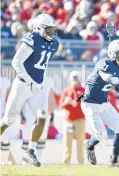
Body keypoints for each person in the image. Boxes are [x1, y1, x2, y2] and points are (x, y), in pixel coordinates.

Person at [0, 14, 58, 167]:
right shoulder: (32, 39)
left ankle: (30, 152)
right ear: (39, 28)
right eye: (49, 29)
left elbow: (41, 65)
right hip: (22, 85)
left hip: (36, 87)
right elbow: (16, 62)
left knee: (42, 117)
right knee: (8, 121)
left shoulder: (53, 44)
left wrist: (39, 82)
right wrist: (30, 81)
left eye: (53, 29)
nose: (52, 32)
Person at [79, 39, 119, 167]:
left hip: (103, 102)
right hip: (89, 102)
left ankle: (114, 160)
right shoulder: (104, 63)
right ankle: (89, 146)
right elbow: (106, 76)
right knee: (101, 135)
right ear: (112, 54)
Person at [21, 78, 55, 163]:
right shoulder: (26, 79)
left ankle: (38, 159)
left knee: (41, 137)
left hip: (42, 114)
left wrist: (52, 114)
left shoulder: (48, 81)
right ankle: (26, 160)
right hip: (29, 113)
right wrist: (21, 114)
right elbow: (21, 98)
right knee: (27, 137)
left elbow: (51, 97)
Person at [59, 71, 85, 164]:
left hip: (80, 120)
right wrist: (67, 102)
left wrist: (76, 102)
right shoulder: (66, 90)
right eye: (73, 79)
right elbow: (61, 105)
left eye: (76, 78)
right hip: (68, 120)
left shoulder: (83, 90)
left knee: (80, 143)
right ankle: (66, 162)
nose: (74, 81)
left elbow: (86, 104)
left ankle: (81, 162)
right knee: (67, 143)